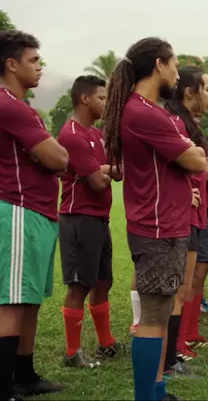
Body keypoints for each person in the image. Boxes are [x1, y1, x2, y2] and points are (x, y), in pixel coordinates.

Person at [103, 37, 208, 401]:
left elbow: (192, 159)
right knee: (152, 315)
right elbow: (197, 161)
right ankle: (145, 396)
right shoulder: (143, 113)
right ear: (160, 65)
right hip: (157, 227)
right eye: (175, 63)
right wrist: (191, 155)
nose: (178, 72)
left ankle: (157, 389)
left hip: (169, 222)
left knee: (162, 310)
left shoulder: (153, 110)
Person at [0, 30, 69, 400]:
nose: (39, 68)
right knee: (11, 301)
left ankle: (23, 376)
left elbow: (53, 157)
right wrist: (49, 154)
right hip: (17, 210)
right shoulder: (9, 105)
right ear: (11, 64)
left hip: (37, 212)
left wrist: (46, 154)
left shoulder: (21, 107)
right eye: (33, 61)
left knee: (27, 298)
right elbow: (59, 158)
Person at [57, 75, 125, 369]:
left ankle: (105, 343)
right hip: (78, 218)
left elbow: (118, 172)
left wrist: (107, 167)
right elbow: (98, 182)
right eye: (101, 98)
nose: (106, 103)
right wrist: (107, 168)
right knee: (79, 284)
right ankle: (72, 352)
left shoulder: (97, 134)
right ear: (84, 99)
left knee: (102, 281)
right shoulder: (72, 135)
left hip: (99, 218)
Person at [164, 66, 208, 374]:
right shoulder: (174, 123)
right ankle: (170, 357)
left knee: (185, 287)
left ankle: (174, 353)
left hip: (197, 213)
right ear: (190, 93)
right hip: (180, 216)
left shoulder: (190, 126)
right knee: (176, 289)